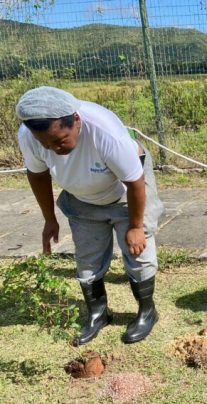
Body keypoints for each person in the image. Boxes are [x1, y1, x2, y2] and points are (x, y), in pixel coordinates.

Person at [15, 86, 165, 345]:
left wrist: (136, 226)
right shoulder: (30, 136)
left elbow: (135, 181)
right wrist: (49, 218)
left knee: (137, 253)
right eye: (46, 144)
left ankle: (147, 312)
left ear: (76, 121)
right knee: (87, 258)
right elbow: (38, 175)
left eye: (60, 140)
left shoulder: (104, 132)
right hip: (82, 199)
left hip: (125, 193)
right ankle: (98, 313)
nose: (53, 149)